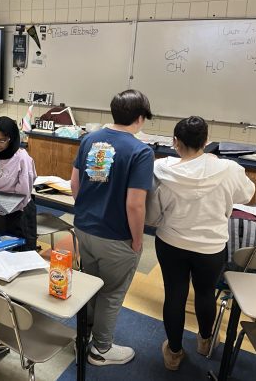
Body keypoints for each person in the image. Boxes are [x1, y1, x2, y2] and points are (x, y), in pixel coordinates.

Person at [146, 116, 254, 371]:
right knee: (205, 294)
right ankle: (206, 341)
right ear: (206, 141)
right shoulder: (228, 169)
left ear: (175, 142)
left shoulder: (161, 170)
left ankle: (173, 353)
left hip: (171, 242)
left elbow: (151, 217)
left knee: (174, 294)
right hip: (211, 247)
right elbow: (247, 195)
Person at [70, 89, 154, 366]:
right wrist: (138, 240)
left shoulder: (90, 140)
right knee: (111, 293)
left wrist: (88, 211)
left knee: (91, 286)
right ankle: (101, 350)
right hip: (116, 235)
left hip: (83, 228)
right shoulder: (141, 151)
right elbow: (135, 205)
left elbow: (75, 184)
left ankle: (83, 337)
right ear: (140, 118)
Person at [0, 116, 37, 250]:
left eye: (2, 140)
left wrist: (1, 207)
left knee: (20, 251)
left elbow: (23, 194)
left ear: (11, 139)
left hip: (18, 212)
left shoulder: (22, 158)